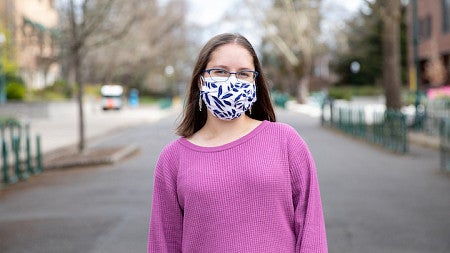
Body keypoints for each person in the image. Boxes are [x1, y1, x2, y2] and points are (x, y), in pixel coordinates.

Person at [148, 33, 328, 252]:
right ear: (201, 80)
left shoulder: (286, 142)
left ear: (255, 82)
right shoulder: (173, 159)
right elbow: (164, 243)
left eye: (243, 74)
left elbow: (311, 229)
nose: (232, 81)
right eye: (220, 71)